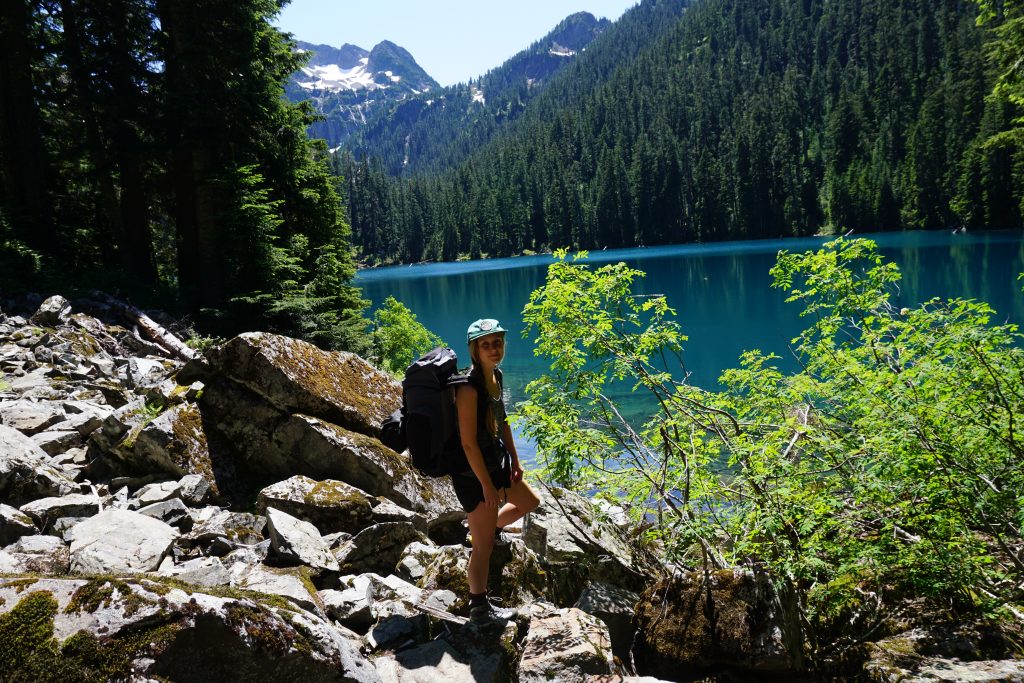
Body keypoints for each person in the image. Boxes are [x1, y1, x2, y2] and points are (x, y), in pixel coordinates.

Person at [450, 318, 540, 623]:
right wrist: (487, 486)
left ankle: (492, 528)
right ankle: (478, 606)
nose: (493, 349)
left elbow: (502, 421)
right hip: (473, 475)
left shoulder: (495, 376)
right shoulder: (467, 388)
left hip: (496, 462)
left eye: (497, 342)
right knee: (483, 548)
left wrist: (515, 458)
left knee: (530, 503)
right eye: (485, 344)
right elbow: (468, 444)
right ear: (474, 350)